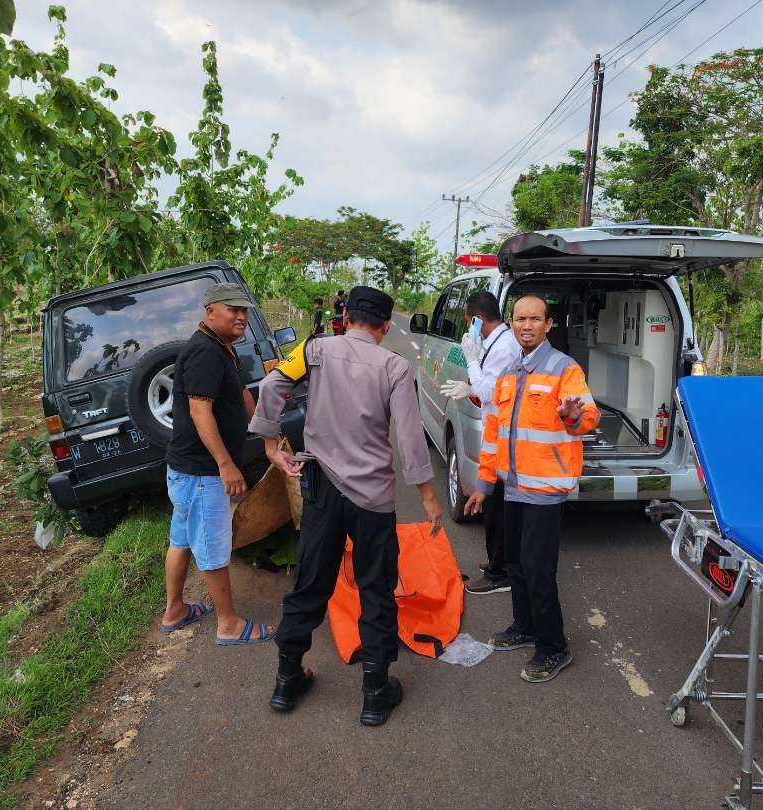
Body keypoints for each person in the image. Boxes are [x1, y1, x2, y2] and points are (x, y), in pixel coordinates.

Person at [250, 285, 444, 726]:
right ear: (385, 325)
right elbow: (411, 439)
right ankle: (375, 694)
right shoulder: (395, 365)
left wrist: (269, 446)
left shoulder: (314, 349)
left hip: (321, 489)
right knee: (376, 587)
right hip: (372, 497)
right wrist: (429, 497)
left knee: (310, 581)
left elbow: (271, 383)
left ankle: (286, 680)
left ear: (346, 316)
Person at [464, 294, 600, 684]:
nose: (527, 326)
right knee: (516, 563)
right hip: (512, 486)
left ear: (548, 324)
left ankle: (553, 647)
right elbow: (494, 434)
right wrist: (484, 485)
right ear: (512, 322)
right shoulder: (509, 371)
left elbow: (587, 415)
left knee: (540, 570)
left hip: (544, 488)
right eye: (520, 319)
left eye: (535, 319)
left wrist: (574, 418)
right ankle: (523, 627)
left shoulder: (564, 369)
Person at [159, 283, 274, 646]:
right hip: (201, 473)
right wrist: (225, 464)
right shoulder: (205, 352)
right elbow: (199, 409)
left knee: (181, 540)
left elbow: (239, 393)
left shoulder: (223, 347)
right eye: (232, 310)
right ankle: (228, 624)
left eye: (245, 311)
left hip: (187, 471)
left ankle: (174, 610)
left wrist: (262, 431)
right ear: (210, 312)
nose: (241, 316)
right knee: (211, 548)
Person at [439, 291, 521, 595]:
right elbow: (493, 386)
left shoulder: (504, 347)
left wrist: (472, 366)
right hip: (495, 432)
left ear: (476, 319)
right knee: (495, 507)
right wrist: (471, 382)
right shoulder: (498, 343)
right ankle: (498, 562)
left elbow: (489, 392)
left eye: (468, 322)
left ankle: (501, 572)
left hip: (502, 437)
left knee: (496, 508)